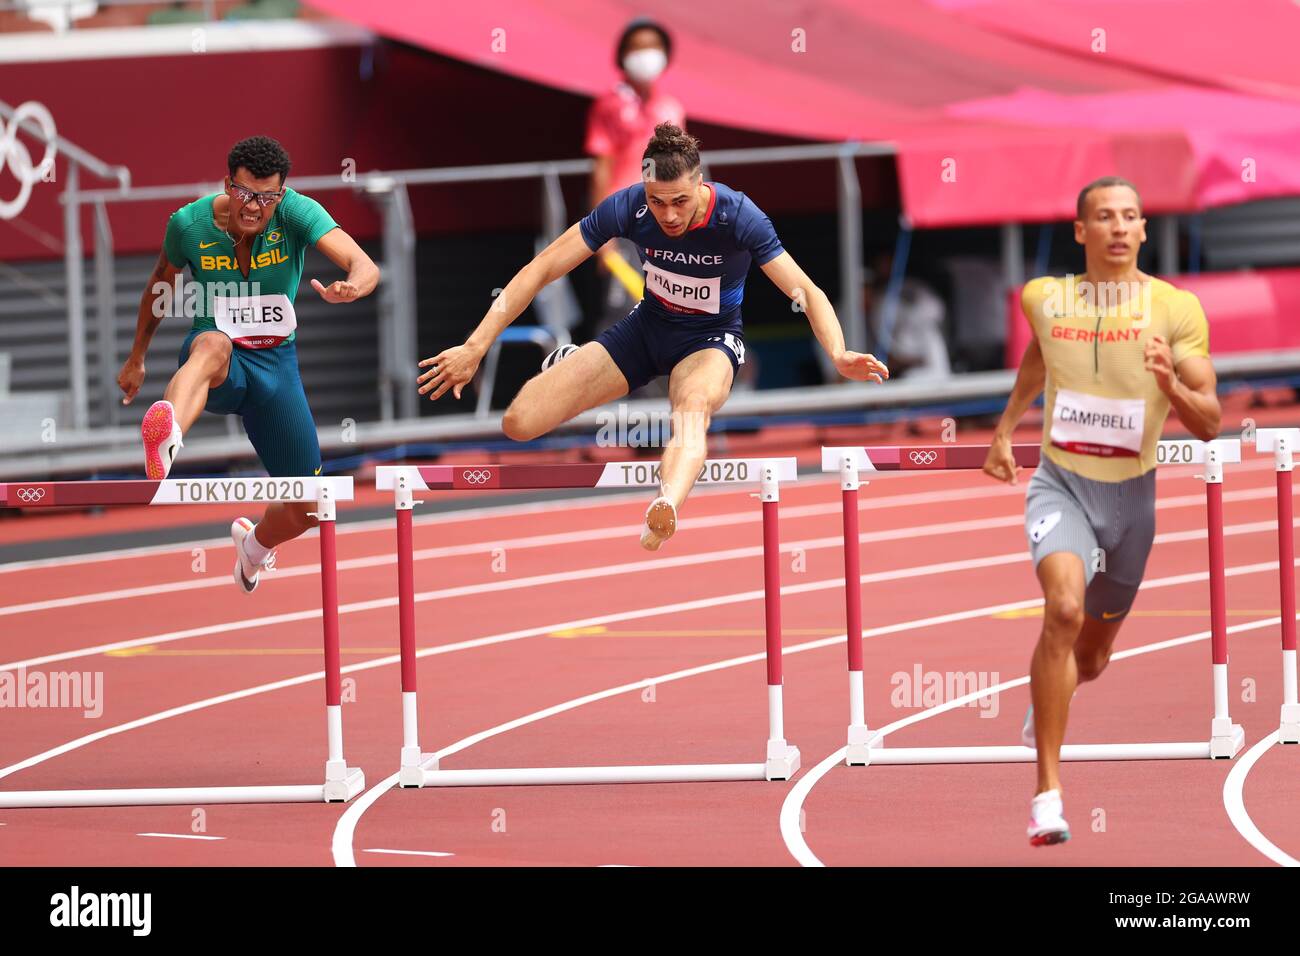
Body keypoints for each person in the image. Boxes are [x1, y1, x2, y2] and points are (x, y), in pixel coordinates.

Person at [418, 123, 888, 550]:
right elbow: (542, 268)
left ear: (699, 184)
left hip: (710, 340)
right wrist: (476, 344)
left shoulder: (739, 216)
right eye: (657, 201)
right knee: (518, 423)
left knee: (692, 408)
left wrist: (839, 350)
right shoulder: (629, 206)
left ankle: (665, 504)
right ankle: (570, 360)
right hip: (646, 329)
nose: (668, 214)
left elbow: (805, 289)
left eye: (680, 201)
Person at [982, 176, 1220, 847]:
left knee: (1089, 659)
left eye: (1131, 217)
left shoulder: (1175, 310)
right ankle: (1047, 797)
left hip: (1132, 504)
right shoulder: (1044, 298)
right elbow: (1040, 357)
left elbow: (1210, 423)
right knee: (1061, 610)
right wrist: (1005, 430)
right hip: (1061, 485)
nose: (1119, 227)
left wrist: (1171, 384)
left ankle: (1054, 692)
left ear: (1144, 230)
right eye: (1104, 218)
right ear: (1081, 232)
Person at [116, 135, 380, 593]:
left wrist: (353, 286)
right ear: (227, 184)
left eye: (267, 197)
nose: (255, 206)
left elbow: (364, 264)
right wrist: (137, 356)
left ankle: (253, 548)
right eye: (244, 193)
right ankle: (169, 432)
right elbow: (160, 286)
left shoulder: (297, 212)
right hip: (218, 363)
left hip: (277, 368)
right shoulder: (189, 224)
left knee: (309, 507)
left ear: (281, 193)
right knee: (213, 343)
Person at [585, 17, 686, 349]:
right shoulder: (610, 105)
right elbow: (602, 168)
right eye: (637, 48)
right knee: (621, 309)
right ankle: (605, 393)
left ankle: (662, 392)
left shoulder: (671, 107)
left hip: (668, 223)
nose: (646, 55)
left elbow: (684, 169)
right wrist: (601, 234)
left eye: (653, 47)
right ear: (623, 55)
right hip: (625, 222)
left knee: (671, 307)